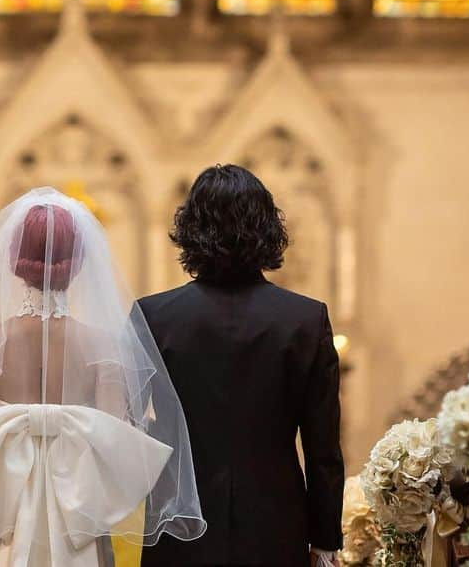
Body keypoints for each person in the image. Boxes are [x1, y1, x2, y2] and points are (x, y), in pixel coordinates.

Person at [0, 188, 205, 567]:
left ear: (12, 259)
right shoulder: (103, 345)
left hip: (8, 519)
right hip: (79, 518)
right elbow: (115, 441)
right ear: (81, 263)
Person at [139, 165, 345, 567]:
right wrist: (324, 540)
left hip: (180, 524)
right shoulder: (305, 320)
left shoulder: (152, 317)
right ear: (267, 229)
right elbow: (323, 448)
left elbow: (133, 431)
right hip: (276, 524)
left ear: (191, 229)